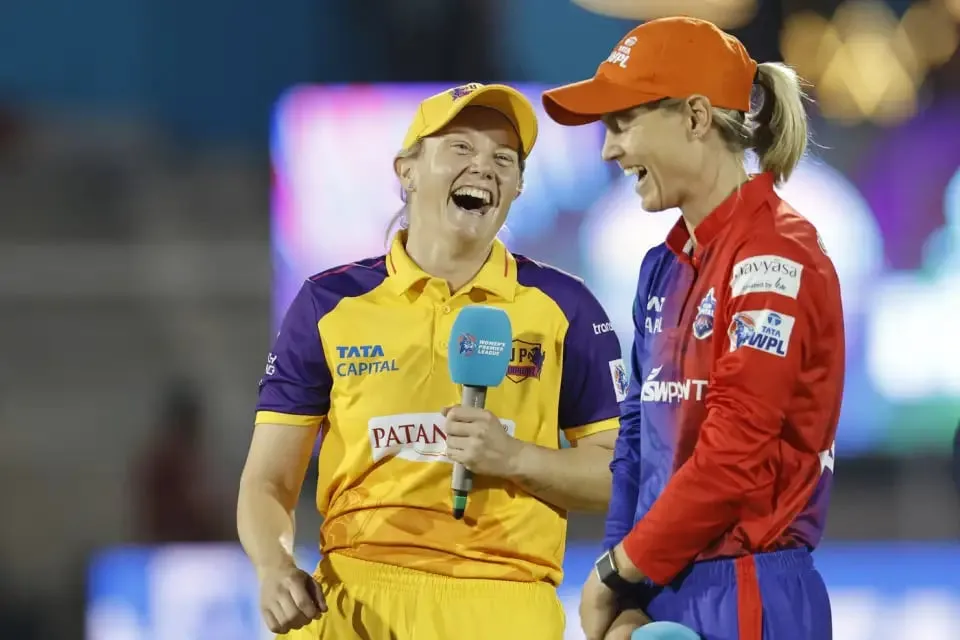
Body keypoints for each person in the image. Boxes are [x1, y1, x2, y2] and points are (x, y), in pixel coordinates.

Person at [238, 82, 626, 640]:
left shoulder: (567, 306)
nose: (485, 167)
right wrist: (273, 567)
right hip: (354, 603)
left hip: (504, 604)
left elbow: (621, 477)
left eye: (504, 159)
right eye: (461, 148)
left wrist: (516, 457)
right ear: (407, 171)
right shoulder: (328, 304)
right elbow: (267, 482)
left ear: (518, 186)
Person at [541, 17, 844, 640]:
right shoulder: (662, 266)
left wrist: (618, 571)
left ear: (697, 117)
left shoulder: (776, 256)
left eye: (623, 123)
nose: (609, 149)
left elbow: (733, 459)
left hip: (751, 591)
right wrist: (624, 583)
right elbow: (636, 441)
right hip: (660, 582)